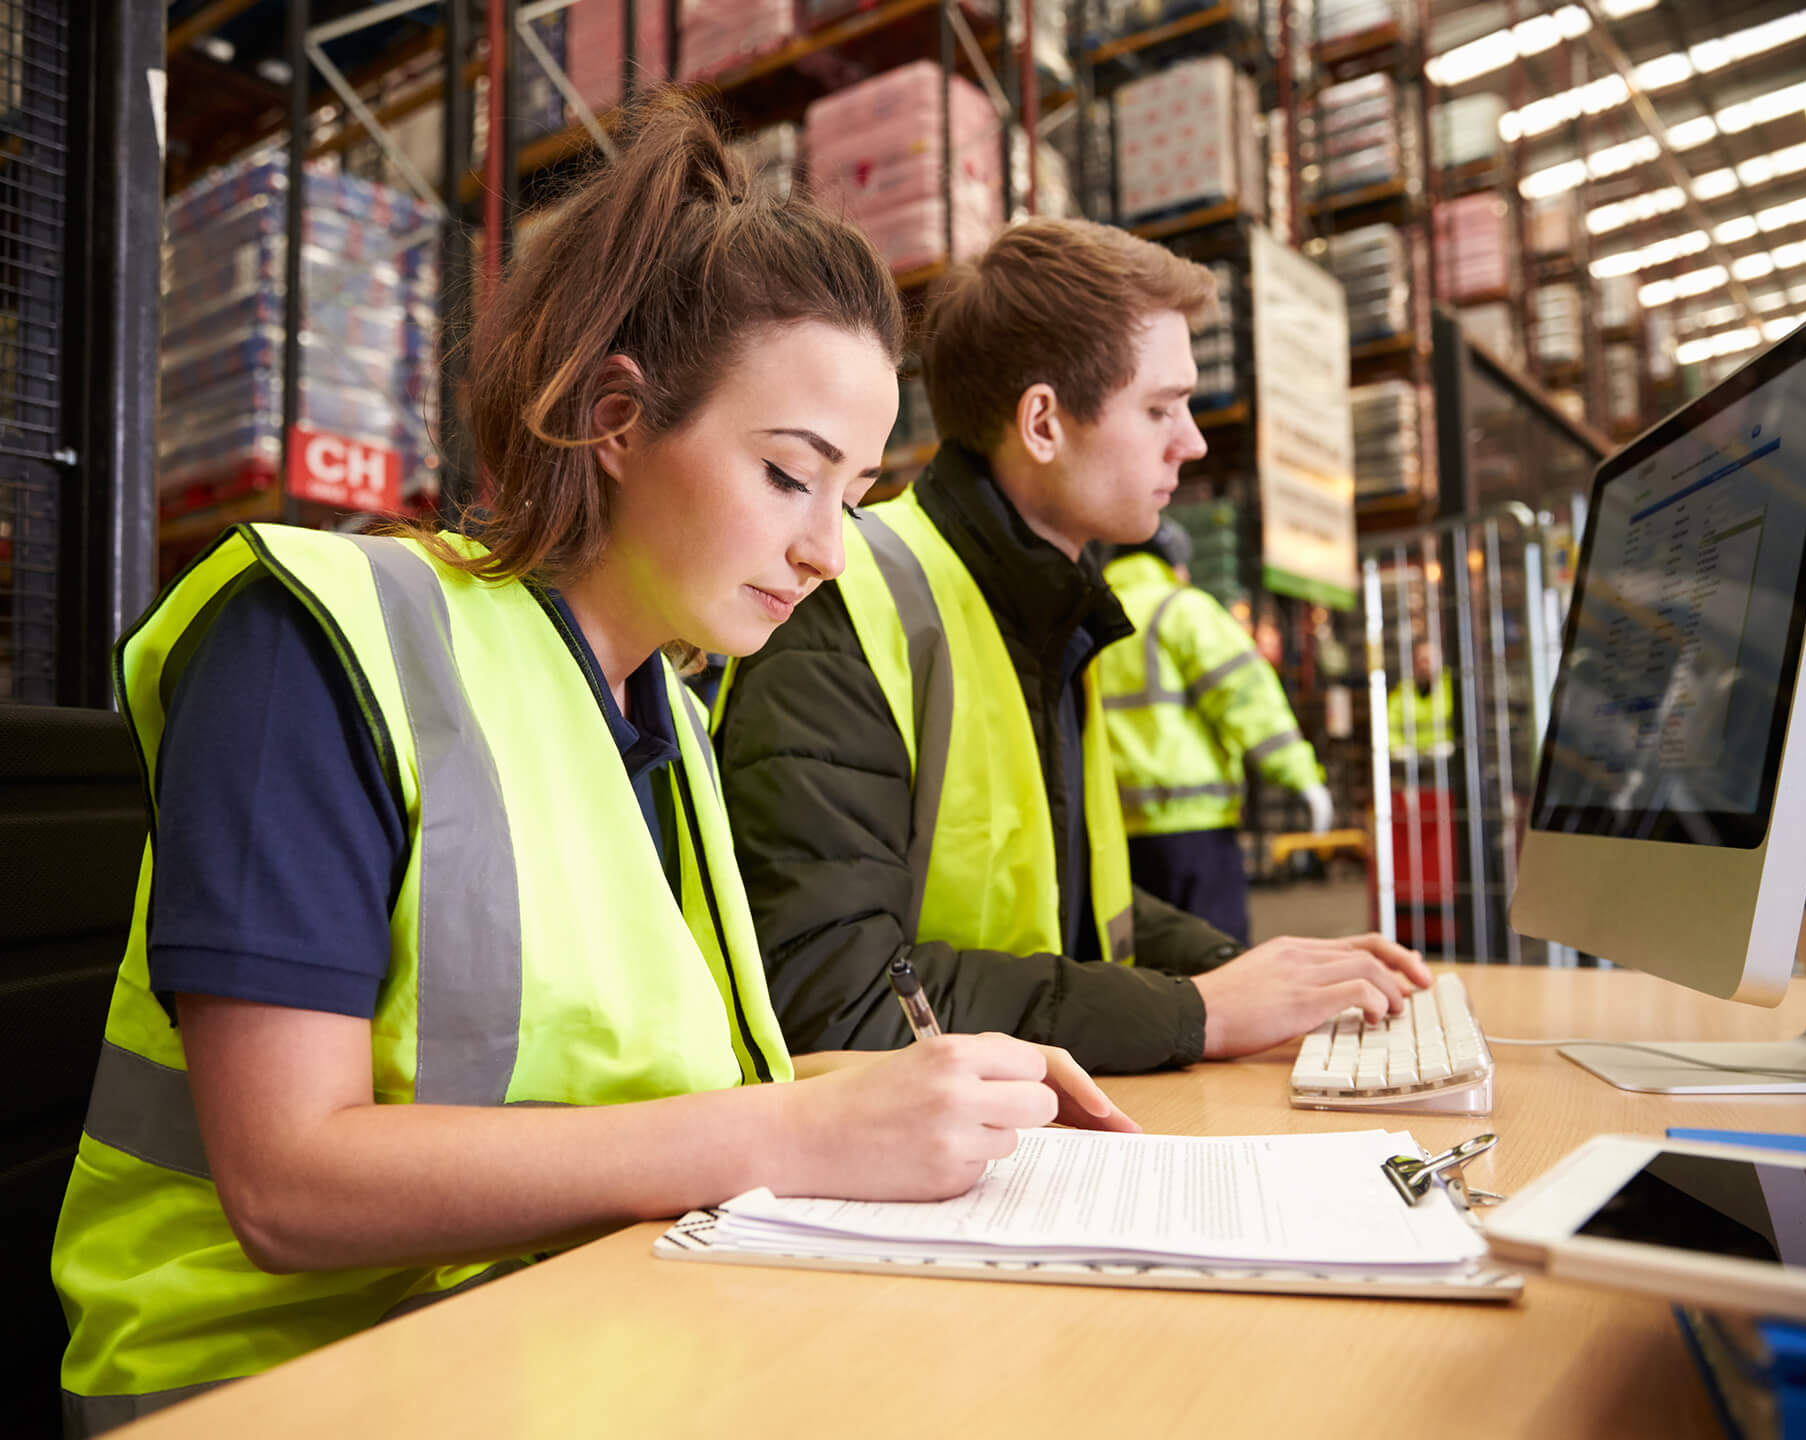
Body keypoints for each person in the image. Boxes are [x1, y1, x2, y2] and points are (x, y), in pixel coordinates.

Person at [51, 94, 1132, 1434]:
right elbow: (287, 1180)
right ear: (617, 420)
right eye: (790, 476)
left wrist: (930, 1087)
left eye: (852, 496)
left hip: (563, 1340)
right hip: (278, 1390)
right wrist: (788, 1134)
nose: (826, 552)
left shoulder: (664, 717)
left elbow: (651, 1093)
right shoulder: (320, 640)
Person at [715, 218, 1429, 1076]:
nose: (1192, 441)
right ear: (1044, 423)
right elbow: (837, 997)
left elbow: (1081, 917)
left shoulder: (1050, 612)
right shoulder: (844, 603)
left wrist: (1251, 972)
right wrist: (1195, 1011)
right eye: (1161, 407)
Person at [1099, 519, 1332, 946]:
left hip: (1112, 832)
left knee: (1140, 967)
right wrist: (1302, 777)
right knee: (1214, 957)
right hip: (1193, 825)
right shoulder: (1181, 609)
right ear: (1175, 565)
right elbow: (1245, 697)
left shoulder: (1089, 615)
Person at [1386, 638, 1455, 760]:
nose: (1423, 666)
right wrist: (1397, 747)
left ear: (1440, 661)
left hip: (1450, 757)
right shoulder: (1403, 690)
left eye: (1428, 660)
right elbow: (1390, 725)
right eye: (1419, 661)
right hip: (1413, 759)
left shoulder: (1453, 686)